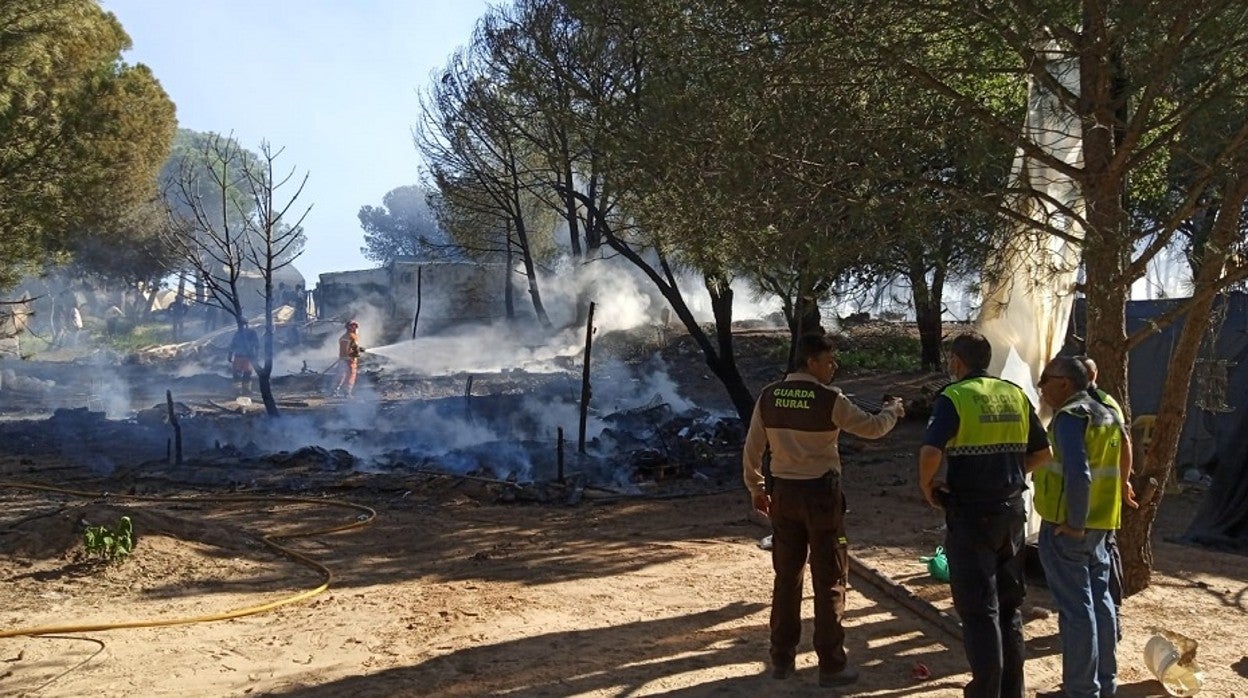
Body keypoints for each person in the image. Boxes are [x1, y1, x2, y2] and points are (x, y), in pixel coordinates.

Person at [743, 333, 905, 688]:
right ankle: (831, 665)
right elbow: (873, 428)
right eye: (829, 361)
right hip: (821, 497)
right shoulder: (830, 399)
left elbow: (753, 448)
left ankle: (781, 658)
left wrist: (756, 488)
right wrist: (892, 411)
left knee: (787, 578)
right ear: (811, 362)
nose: (834, 367)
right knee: (830, 579)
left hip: (783, 495)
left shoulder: (769, 396)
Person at [917, 331, 1050, 698]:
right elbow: (1044, 453)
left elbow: (930, 451)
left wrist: (927, 487)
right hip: (1012, 513)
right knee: (1009, 608)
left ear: (957, 361)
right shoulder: (1015, 394)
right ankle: (1012, 691)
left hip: (972, 516)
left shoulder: (955, 396)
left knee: (979, 611)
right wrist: (1009, 473)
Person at [1033, 356, 1126, 698]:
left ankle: (1082, 690)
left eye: (1045, 380)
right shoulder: (1106, 412)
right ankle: (1105, 683)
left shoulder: (1071, 416)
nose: (1041, 388)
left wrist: (1073, 523)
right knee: (1100, 602)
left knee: (1076, 611)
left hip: (1069, 528)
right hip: (1101, 525)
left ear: (1065, 383)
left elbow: (1079, 473)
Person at [1076, 355, 1139, 642]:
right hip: (1098, 497)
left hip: (1095, 499)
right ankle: (1105, 620)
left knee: (1100, 560)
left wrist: (1123, 482)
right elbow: (1125, 445)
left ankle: (1109, 619)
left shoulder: (1094, 404)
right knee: (1100, 559)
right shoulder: (1101, 402)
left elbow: (1125, 443)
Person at [227, 321, 260, 395]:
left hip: (242, 357)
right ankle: (244, 390)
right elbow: (257, 346)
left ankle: (239, 391)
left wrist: (230, 355)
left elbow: (232, 345)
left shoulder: (239, 333)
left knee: (240, 374)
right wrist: (256, 356)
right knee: (246, 373)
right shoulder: (251, 333)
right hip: (246, 357)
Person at [333, 320, 364, 398]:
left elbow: (349, 348)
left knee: (341, 375)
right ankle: (347, 393)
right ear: (349, 327)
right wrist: (358, 350)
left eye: (355, 326)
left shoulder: (343, 337)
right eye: (354, 326)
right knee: (350, 376)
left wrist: (358, 350)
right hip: (350, 360)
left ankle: (335, 391)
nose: (355, 328)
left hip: (343, 359)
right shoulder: (352, 336)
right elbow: (352, 349)